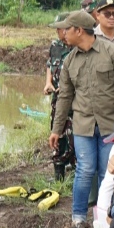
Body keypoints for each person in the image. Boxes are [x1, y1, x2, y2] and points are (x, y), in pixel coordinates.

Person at [48, 10, 114, 226]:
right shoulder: (69, 61)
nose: (63, 34)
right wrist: (56, 129)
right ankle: (78, 218)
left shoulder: (113, 52)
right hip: (83, 124)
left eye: (66, 29)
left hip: (111, 124)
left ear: (79, 31)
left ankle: (104, 218)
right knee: (85, 170)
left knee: (108, 173)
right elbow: (65, 96)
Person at [44, 13, 75, 181]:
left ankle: (77, 172)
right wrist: (48, 82)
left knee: (75, 138)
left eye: (60, 28)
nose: (57, 32)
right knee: (57, 134)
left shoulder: (78, 47)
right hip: (57, 100)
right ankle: (59, 177)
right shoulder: (55, 46)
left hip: (76, 102)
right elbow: (50, 65)